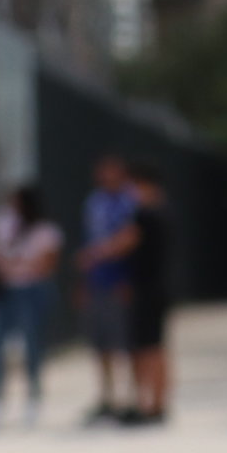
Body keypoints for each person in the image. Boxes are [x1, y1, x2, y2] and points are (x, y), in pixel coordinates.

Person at [0, 182, 64, 421]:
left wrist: (18, 265)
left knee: (32, 347)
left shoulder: (44, 229)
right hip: (3, 292)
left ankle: (33, 400)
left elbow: (46, 264)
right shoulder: (1, 221)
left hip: (30, 291)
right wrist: (2, 264)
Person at [76, 156, 142, 421]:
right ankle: (107, 396)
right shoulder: (94, 202)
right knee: (100, 344)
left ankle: (133, 397)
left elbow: (130, 240)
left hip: (121, 282)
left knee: (126, 344)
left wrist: (101, 255)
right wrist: (84, 281)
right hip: (98, 282)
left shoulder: (131, 200)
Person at [116, 166, 182, 426]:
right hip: (159, 287)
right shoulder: (166, 211)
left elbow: (125, 242)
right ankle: (158, 402)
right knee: (157, 347)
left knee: (148, 348)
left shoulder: (145, 214)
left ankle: (149, 404)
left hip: (146, 289)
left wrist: (94, 255)